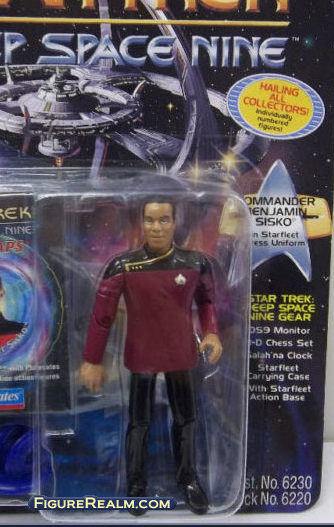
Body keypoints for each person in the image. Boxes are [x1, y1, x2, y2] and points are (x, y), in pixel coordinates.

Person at [81, 199, 222, 515]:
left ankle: (188, 479)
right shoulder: (123, 266)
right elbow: (102, 317)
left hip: (181, 352)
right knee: (139, 423)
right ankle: (136, 484)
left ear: (174, 222)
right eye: (150, 220)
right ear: (141, 223)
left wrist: (212, 332)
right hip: (141, 354)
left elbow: (208, 300)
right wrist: (92, 358)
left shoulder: (195, 262)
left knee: (186, 420)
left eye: (164, 220)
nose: (156, 227)